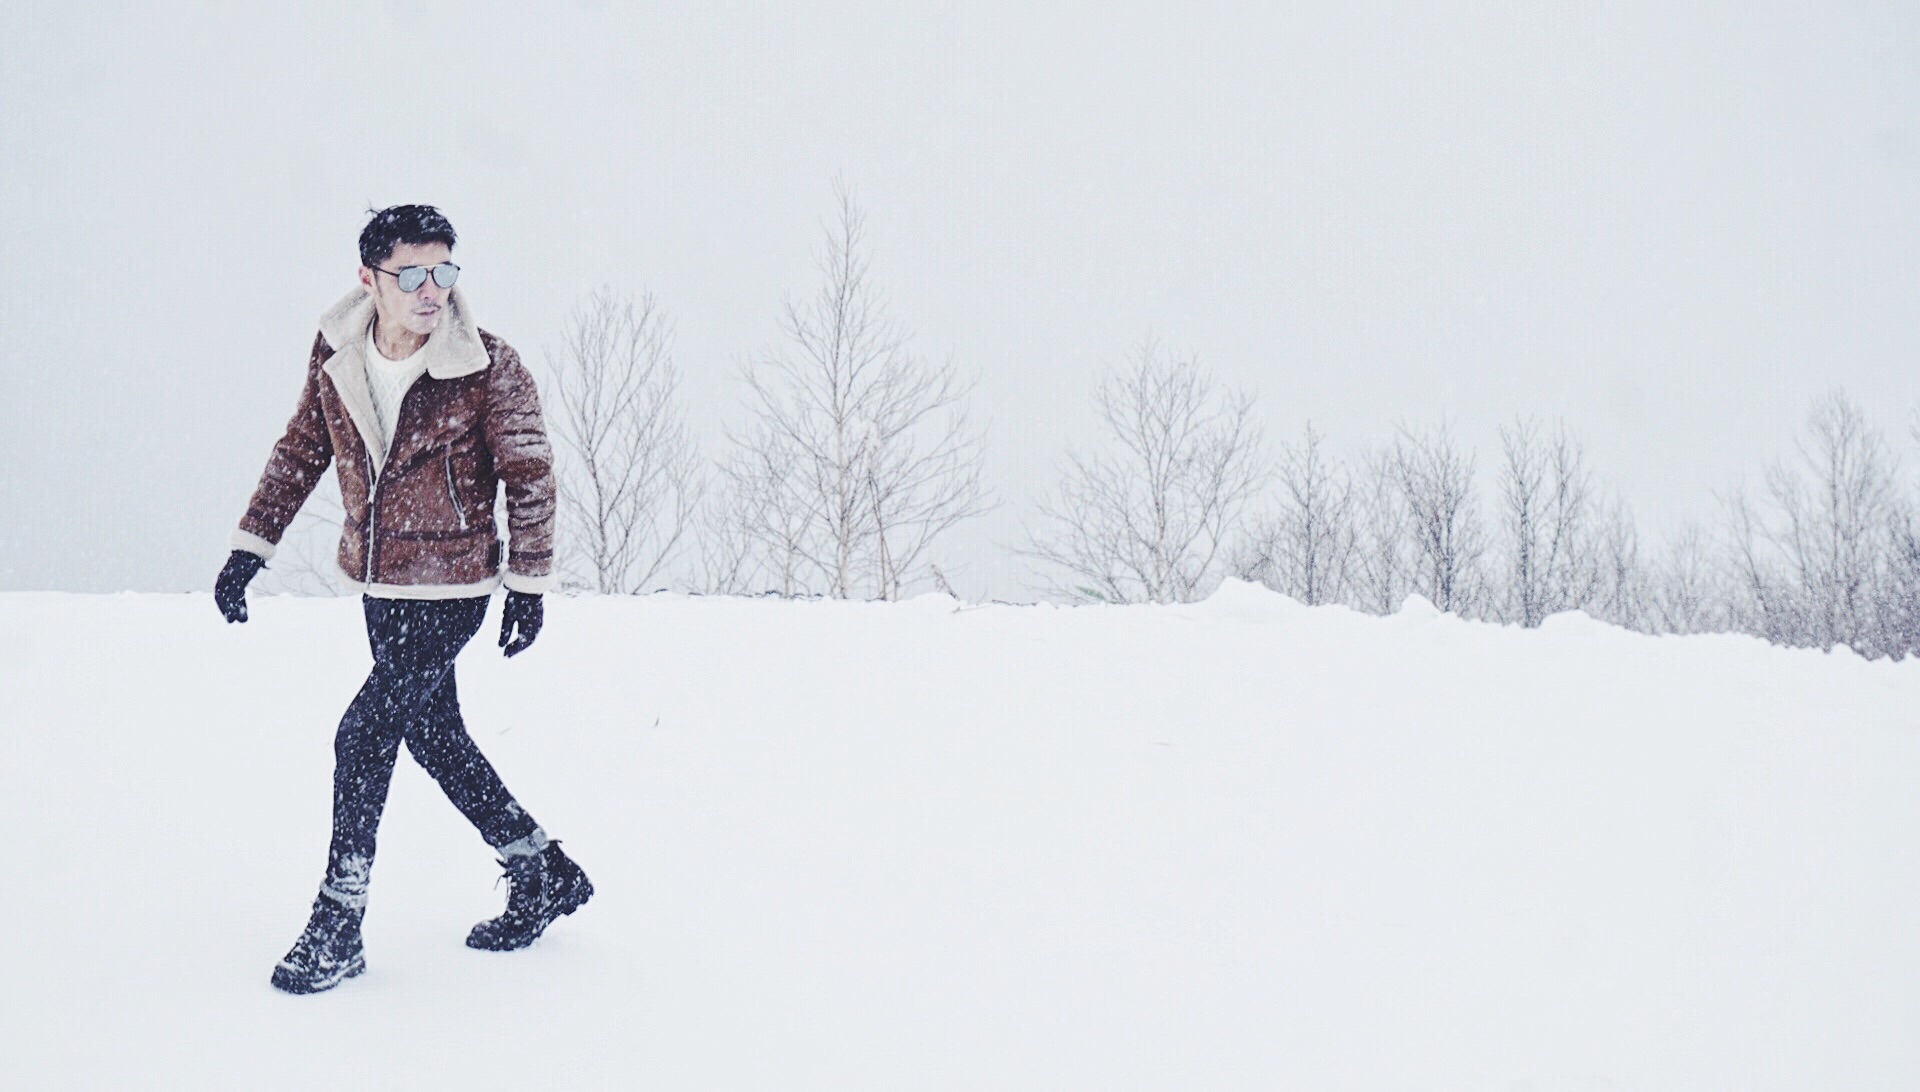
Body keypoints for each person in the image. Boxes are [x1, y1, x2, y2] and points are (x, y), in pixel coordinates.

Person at [216, 204, 591, 995]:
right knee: (435, 738)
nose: (433, 292)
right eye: (413, 275)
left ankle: (338, 921)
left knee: (362, 735)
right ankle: (541, 869)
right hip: (381, 585)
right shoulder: (338, 349)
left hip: (454, 587)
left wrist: (527, 583)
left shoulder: (489, 363)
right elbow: (303, 446)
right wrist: (251, 546)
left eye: (445, 272)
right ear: (370, 278)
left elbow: (530, 475)